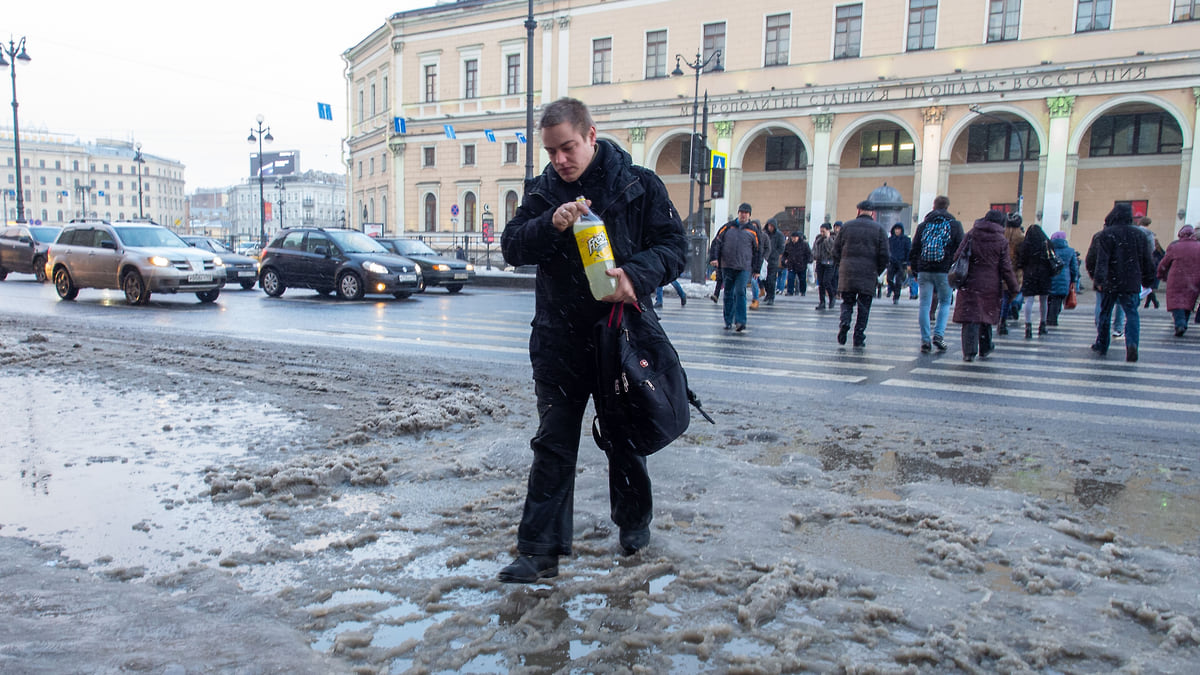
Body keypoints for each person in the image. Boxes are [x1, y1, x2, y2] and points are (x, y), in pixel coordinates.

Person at [498, 97, 687, 583]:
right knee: (553, 443)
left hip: (617, 338)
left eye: (567, 148)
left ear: (591, 136)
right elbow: (512, 246)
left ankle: (633, 524)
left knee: (623, 439)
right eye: (551, 151)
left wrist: (636, 276)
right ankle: (539, 551)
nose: (559, 160)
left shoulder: (637, 183)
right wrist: (550, 223)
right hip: (558, 340)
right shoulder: (543, 191)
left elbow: (674, 247)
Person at [1086, 203, 1156, 362]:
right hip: (1132, 281)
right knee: (1132, 314)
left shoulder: (1107, 234)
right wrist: (1148, 279)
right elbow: (1147, 260)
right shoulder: (1139, 235)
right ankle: (1132, 344)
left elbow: (1102, 261)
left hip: (1111, 281)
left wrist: (1099, 280)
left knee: (1105, 313)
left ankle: (1102, 344)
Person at [952, 210, 1020, 362]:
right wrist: (1014, 287)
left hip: (970, 281)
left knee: (970, 317)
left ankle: (969, 352)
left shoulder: (971, 234)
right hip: (990, 284)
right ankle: (985, 347)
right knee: (985, 316)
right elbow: (1006, 267)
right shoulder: (1001, 240)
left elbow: (957, 255)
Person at [909, 195, 965, 352]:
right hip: (944, 270)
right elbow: (961, 249)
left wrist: (915, 269)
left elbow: (914, 249)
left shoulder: (923, 225)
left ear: (933, 206)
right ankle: (939, 335)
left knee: (924, 305)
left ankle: (925, 340)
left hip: (924, 270)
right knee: (945, 302)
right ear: (947, 206)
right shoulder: (955, 225)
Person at [833, 200, 889, 347]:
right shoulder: (879, 229)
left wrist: (842, 265)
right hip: (868, 274)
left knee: (847, 303)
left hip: (848, 273)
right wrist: (878, 270)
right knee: (864, 307)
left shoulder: (846, 227)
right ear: (872, 213)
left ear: (858, 210)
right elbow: (885, 255)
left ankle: (844, 322)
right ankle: (858, 336)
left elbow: (835, 250)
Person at [709, 202, 762, 331]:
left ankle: (740, 321)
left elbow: (758, 251)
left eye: (746, 213)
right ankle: (728, 320)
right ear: (738, 213)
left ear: (749, 215)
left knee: (740, 292)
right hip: (727, 266)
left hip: (744, 267)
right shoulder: (728, 227)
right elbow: (716, 242)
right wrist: (714, 258)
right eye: (741, 212)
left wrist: (756, 269)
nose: (743, 215)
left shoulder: (753, 231)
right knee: (728, 293)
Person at [1156, 225, 1200, 337]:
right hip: (1194, 279)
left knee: (1176, 302)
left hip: (1176, 279)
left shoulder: (1175, 247)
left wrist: (1161, 274)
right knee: (1189, 301)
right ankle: (1183, 321)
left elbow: (1164, 263)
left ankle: (1180, 323)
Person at [1017, 222, 1055, 338]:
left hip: (1030, 274)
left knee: (1029, 300)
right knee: (1043, 301)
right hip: (1044, 274)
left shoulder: (1026, 245)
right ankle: (1042, 325)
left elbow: (1021, 261)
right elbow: (1052, 258)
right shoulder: (1047, 243)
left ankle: (1028, 326)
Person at [1046, 231, 1080, 326]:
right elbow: (1074, 268)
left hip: (1050, 277)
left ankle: (1048, 317)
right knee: (1058, 300)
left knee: (1049, 299)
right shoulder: (1070, 251)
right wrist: (1073, 280)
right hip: (1064, 278)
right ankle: (1052, 319)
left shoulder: (1049, 250)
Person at [1000, 213, 1025, 335]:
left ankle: (1002, 320)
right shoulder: (1021, 238)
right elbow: (1023, 258)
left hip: (1002, 270)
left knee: (1004, 296)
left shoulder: (1001, 236)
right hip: (1016, 271)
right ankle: (1015, 304)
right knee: (1016, 292)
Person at [812, 223, 837, 309]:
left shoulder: (833, 239)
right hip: (820, 262)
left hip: (829, 263)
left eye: (824, 231)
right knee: (821, 283)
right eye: (821, 231)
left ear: (828, 230)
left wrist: (827, 239)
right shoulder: (818, 239)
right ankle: (822, 302)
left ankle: (832, 296)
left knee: (827, 281)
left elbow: (832, 250)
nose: (822, 233)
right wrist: (815, 256)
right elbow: (814, 249)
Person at [886, 223, 912, 304]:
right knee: (889, 279)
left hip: (901, 262)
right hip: (892, 262)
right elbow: (886, 250)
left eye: (899, 229)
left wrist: (908, 263)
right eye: (896, 229)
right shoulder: (890, 240)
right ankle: (894, 290)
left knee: (898, 280)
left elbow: (908, 252)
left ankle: (896, 296)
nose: (897, 231)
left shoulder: (906, 240)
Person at [762, 219, 786, 306]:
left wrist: (775, 253)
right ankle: (768, 293)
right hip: (765, 259)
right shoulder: (765, 234)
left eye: (772, 226)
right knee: (763, 278)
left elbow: (781, 247)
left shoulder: (779, 235)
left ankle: (771, 297)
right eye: (769, 226)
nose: (770, 227)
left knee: (771, 279)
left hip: (773, 260)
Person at [782, 230, 811, 296]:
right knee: (790, 278)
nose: (793, 239)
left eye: (795, 237)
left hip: (801, 264)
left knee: (802, 279)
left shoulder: (804, 244)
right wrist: (784, 260)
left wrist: (807, 261)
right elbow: (785, 254)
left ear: (798, 237)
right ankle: (790, 291)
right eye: (792, 238)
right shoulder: (789, 245)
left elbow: (808, 254)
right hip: (791, 264)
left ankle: (802, 291)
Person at [1144, 236, 1166, 309]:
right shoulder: (1160, 253)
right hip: (1154, 272)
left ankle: (1152, 303)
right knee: (1150, 289)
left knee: (1150, 289)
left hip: (1153, 272)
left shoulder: (1155, 253)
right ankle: (1152, 303)